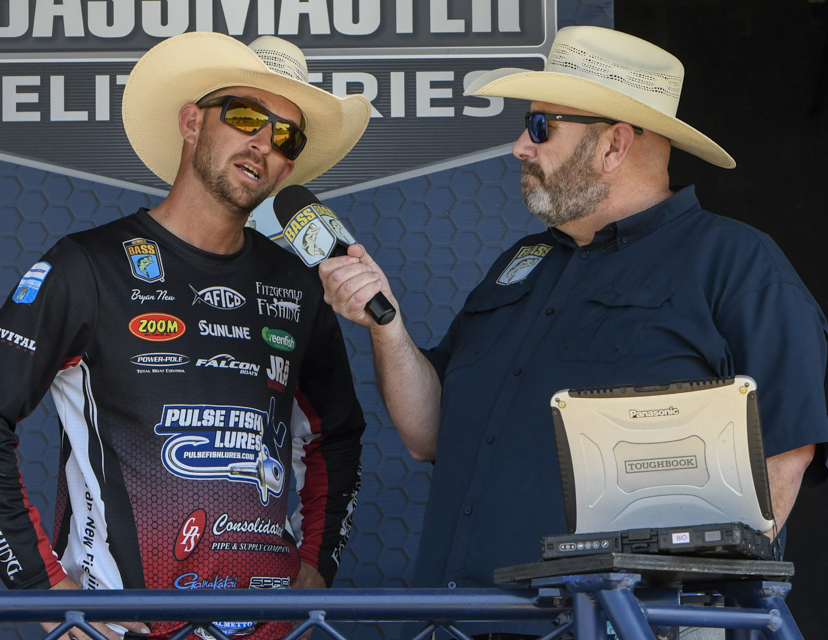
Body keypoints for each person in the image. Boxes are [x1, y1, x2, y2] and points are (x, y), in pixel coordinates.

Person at [318, 25, 828, 638]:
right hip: (457, 624)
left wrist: (682, 615)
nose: (520, 147)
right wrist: (388, 326)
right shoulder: (521, 262)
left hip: (618, 626)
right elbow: (428, 435)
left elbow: (786, 454)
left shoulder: (736, 263)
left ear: (614, 144)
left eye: (540, 127)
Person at [0, 32, 371, 640]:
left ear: (288, 166)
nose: (263, 143)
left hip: (267, 629)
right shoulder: (89, 266)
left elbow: (337, 435)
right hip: (122, 628)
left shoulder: (296, 284)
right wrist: (42, 587)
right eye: (246, 117)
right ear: (191, 123)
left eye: (285, 137)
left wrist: (317, 563)